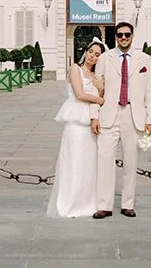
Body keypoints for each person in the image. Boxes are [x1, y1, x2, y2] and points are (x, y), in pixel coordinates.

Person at [92, 21, 151, 218]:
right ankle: (104, 205)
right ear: (115, 37)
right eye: (119, 35)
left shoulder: (144, 60)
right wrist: (94, 115)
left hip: (133, 114)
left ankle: (128, 203)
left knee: (130, 162)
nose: (123, 38)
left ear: (132, 36)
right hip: (108, 115)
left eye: (127, 35)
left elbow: (149, 91)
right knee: (104, 160)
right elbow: (97, 89)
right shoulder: (104, 58)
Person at [45, 38, 105, 218]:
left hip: (92, 120)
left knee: (89, 163)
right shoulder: (75, 69)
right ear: (86, 51)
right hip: (76, 120)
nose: (92, 56)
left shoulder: (97, 76)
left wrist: (101, 90)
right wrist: (100, 99)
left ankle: (88, 201)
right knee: (75, 160)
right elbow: (79, 94)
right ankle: (70, 202)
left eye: (97, 54)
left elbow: (102, 91)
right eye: (91, 51)